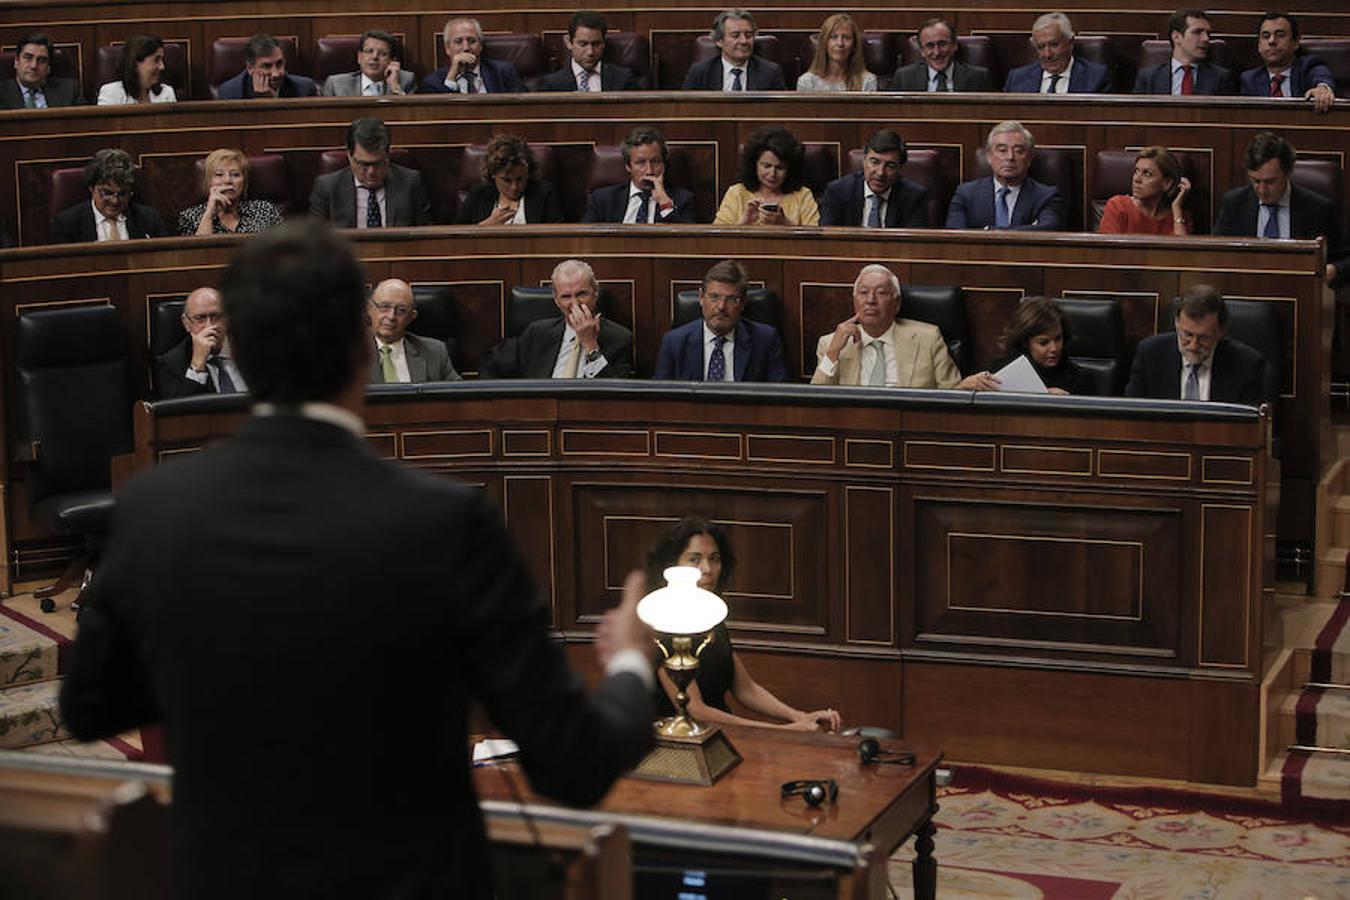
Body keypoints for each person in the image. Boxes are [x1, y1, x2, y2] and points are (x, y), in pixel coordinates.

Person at [59, 221, 656, 898]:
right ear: (358, 349)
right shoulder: (448, 525)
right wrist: (634, 660)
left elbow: (89, 705)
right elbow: (574, 764)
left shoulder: (154, 510)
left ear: (246, 353)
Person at [646, 517, 839, 732]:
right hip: (680, 742)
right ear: (672, 566)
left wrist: (799, 716)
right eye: (694, 559)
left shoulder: (710, 617)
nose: (707, 568)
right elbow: (696, 710)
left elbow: (746, 689)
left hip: (719, 736)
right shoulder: (662, 622)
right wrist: (782, 730)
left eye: (715, 559)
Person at [811, 264, 995, 390]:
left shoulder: (928, 338)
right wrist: (833, 353)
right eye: (863, 293)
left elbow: (951, 394)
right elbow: (815, 403)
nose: (870, 300)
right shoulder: (831, 343)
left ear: (897, 303)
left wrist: (967, 385)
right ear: (854, 301)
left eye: (881, 293)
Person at [1214, 131, 1347, 285]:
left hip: (1300, 291)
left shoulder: (1318, 208)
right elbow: (1217, 253)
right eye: (1256, 181)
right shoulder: (1234, 204)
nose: (1262, 190)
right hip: (1246, 291)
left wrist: (1333, 270)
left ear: (1288, 173)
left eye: (1270, 182)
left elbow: (1344, 259)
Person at [480, 259, 633, 379]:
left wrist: (590, 346)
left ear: (595, 293)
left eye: (581, 294)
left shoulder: (619, 338)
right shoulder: (538, 333)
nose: (575, 304)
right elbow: (491, 365)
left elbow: (615, 398)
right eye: (566, 296)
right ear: (556, 301)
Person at [1125, 284, 1268, 406]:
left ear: (1221, 331)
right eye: (1187, 334)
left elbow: (1250, 431)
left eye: (1204, 337)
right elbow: (1131, 417)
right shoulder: (1150, 354)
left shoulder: (1247, 365)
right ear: (1177, 323)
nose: (1193, 346)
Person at [653, 259, 788, 382]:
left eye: (731, 299)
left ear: (742, 304)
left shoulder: (765, 341)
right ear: (701, 298)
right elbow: (660, 399)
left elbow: (780, 398)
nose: (721, 307)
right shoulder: (674, 342)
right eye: (714, 297)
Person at [309, 117, 433, 228]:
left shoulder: (410, 183)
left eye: (378, 163)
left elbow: (426, 236)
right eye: (363, 164)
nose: (371, 172)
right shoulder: (327, 187)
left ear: (388, 155)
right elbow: (314, 242)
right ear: (349, 156)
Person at [946, 121, 1064, 231]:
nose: (1010, 157)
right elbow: (955, 235)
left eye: (1018, 151)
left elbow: (1048, 229)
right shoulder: (966, 194)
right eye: (1002, 150)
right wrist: (1028, 228)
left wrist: (989, 231)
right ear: (989, 156)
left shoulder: (1046, 197)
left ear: (1029, 159)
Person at [582, 125, 697, 223]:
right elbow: (584, 241)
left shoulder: (683, 200)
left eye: (655, 162)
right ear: (628, 166)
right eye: (641, 163)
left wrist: (664, 202)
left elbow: (687, 243)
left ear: (664, 164)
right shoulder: (602, 199)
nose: (649, 171)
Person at [50, 148, 167, 243]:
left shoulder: (149, 219)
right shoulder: (67, 224)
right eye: (107, 193)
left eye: (122, 194)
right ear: (92, 188)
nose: (115, 201)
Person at [820, 128, 929, 228]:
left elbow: (914, 246)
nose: (880, 173)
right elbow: (828, 242)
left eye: (890, 166)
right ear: (864, 161)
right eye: (874, 162)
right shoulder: (837, 192)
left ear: (900, 168)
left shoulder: (914, 197)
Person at [712, 126, 819, 226]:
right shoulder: (736, 193)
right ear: (754, 165)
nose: (772, 174)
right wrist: (744, 222)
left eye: (780, 168)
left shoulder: (803, 196)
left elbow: (816, 241)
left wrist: (785, 223)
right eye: (767, 166)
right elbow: (717, 239)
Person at [989, 297, 1096, 395]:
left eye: (1058, 339)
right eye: (1043, 342)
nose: (1054, 348)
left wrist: (1069, 402)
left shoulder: (1081, 380)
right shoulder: (1000, 373)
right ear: (1026, 342)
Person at [154, 286, 247, 398]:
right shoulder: (172, 364)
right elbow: (178, 412)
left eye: (216, 316)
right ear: (186, 323)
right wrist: (197, 367)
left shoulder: (251, 346)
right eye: (200, 318)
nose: (210, 325)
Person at [454, 134, 565, 225]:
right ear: (493, 174)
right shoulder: (478, 194)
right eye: (506, 180)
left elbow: (558, 235)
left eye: (520, 179)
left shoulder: (544, 193)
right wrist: (484, 227)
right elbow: (458, 239)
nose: (514, 187)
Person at [1239, 12, 1336, 114]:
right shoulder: (1250, 79)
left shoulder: (1308, 66)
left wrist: (1322, 88)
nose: (1271, 41)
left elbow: (1322, 76)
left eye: (1280, 35)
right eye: (1266, 36)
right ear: (1259, 45)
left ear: (1295, 43)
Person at [367, 278, 460, 383]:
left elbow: (459, 395)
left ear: (411, 317)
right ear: (370, 309)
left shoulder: (435, 353)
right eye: (384, 307)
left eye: (401, 310)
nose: (391, 316)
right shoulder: (348, 353)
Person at [177, 149, 284, 236]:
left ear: (244, 182)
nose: (228, 180)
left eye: (235, 175)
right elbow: (197, 254)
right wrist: (209, 214)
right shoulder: (190, 217)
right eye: (219, 175)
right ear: (208, 181)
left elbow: (284, 248)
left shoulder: (265, 210)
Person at [1134, 9, 1237, 95]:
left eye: (1208, 33)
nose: (1206, 39)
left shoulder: (1221, 78)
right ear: (1176, 37)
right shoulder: (1149, 77)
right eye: (1197, 32)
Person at [1003, 13, 1111, 94]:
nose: (1047, 54)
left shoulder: (1097, 78)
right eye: (1041, 47)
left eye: (1054, 45)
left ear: (1070, 42)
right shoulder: (1017, 79)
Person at [1097, 146, 1192, 235]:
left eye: (1147, 174)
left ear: (1167, 183)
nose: (1137, 179)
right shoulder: (1118, 206)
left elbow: (1183, 251)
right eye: (1136, 171)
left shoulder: (1179, 217)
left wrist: (1176, 209)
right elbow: (1108, 251)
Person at [683, 9, 786, 91]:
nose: (744, 41)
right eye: (735, 35)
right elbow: (686, 110)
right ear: (719, 40)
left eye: (749, 35)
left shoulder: (771, 72)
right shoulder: (700, 72)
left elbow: (779, 112)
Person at [538, 11, 640, 92]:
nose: (590, 52)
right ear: (569, 42)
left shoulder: (624, 79)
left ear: (603, 43)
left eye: (596, 44)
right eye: (583, 44)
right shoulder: (551, 84)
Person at [889, 17, 993, 92]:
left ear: (954, 45)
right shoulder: (904, 77)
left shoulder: (979, 78)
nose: (937, 52)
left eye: (942, 44)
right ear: (922, 51)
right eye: (929, 46)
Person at [423, 18, 523, 94]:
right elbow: (437, 113)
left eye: (472, 41)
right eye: (458, 42)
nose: (466, 47)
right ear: (447, 48)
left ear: (480, 46)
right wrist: (451, 77)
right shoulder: (433, 82)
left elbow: (523, 107)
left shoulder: (503, 73)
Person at [215, 33, 317, 99]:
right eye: (267, 66)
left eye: (279, 63)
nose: (276, 73)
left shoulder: (305, 89)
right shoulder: (230, 93)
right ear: (250, 68)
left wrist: (272, 102)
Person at [796, 13, 877, 92]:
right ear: (824, 43)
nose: (840, 43)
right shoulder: (807, 82)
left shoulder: (867, 81)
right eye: (833, 37)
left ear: (854, 45)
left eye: (846, 38)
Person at [320, 29, 415, 96]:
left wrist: (395, 87)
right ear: (359, 57)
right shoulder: (336, 84)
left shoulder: (406, 81)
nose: (374, 57)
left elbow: (411, 115)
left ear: (392, 61)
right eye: (369, 51)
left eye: (383, 54)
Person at [2, 33, 82, 108]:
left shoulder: (69, 90)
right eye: (28, 58)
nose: (34, 66)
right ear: (16, 62)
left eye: (41, 60)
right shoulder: (2, 93)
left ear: (48, 68)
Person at [96, 34, 177, 105]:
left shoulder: (166, 93)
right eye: (156, 60)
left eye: (162, 60)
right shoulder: (111, 93)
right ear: (135, 64)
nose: (162, 66)